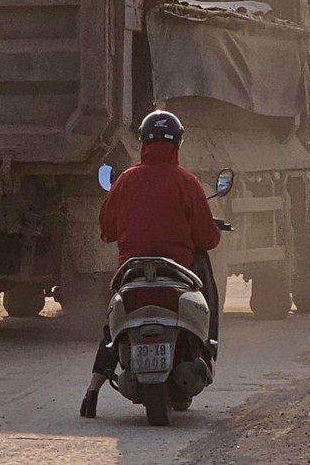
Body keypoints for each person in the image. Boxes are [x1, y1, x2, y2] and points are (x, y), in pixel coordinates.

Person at [80, 109, 222, 419]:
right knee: (208, 290)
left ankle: (92, 392)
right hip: (178, 275)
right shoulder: (187, 182)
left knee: (112, 327)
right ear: (178, 144)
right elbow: (208, 238)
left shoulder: (127, 180)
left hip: (132, 275)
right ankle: (208, 345)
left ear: (143, 142)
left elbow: (106, 230)